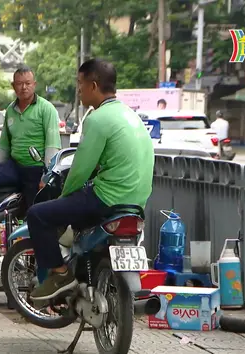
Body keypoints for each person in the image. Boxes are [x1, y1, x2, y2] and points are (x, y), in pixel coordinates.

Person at [27, 59, 154, 300]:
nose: (78, 90)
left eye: (80, 84)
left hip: (108, 198)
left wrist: (63, 199)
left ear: (93, 86)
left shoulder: (97, 119)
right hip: (137, 202)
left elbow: (80, 171)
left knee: (38, 214)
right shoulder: (130, 115)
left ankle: (61, 273)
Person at [0, 66, 62, 245]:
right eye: (20, 84)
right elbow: (4, 146)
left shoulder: (47, 109)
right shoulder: (10, 110)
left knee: (35, 212)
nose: (24, 87)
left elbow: (52, 144)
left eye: (28, 83)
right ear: (13, 86)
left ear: (34, 85)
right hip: (14, 166)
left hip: (36, 169)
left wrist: (47, 176)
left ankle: (36, 249)